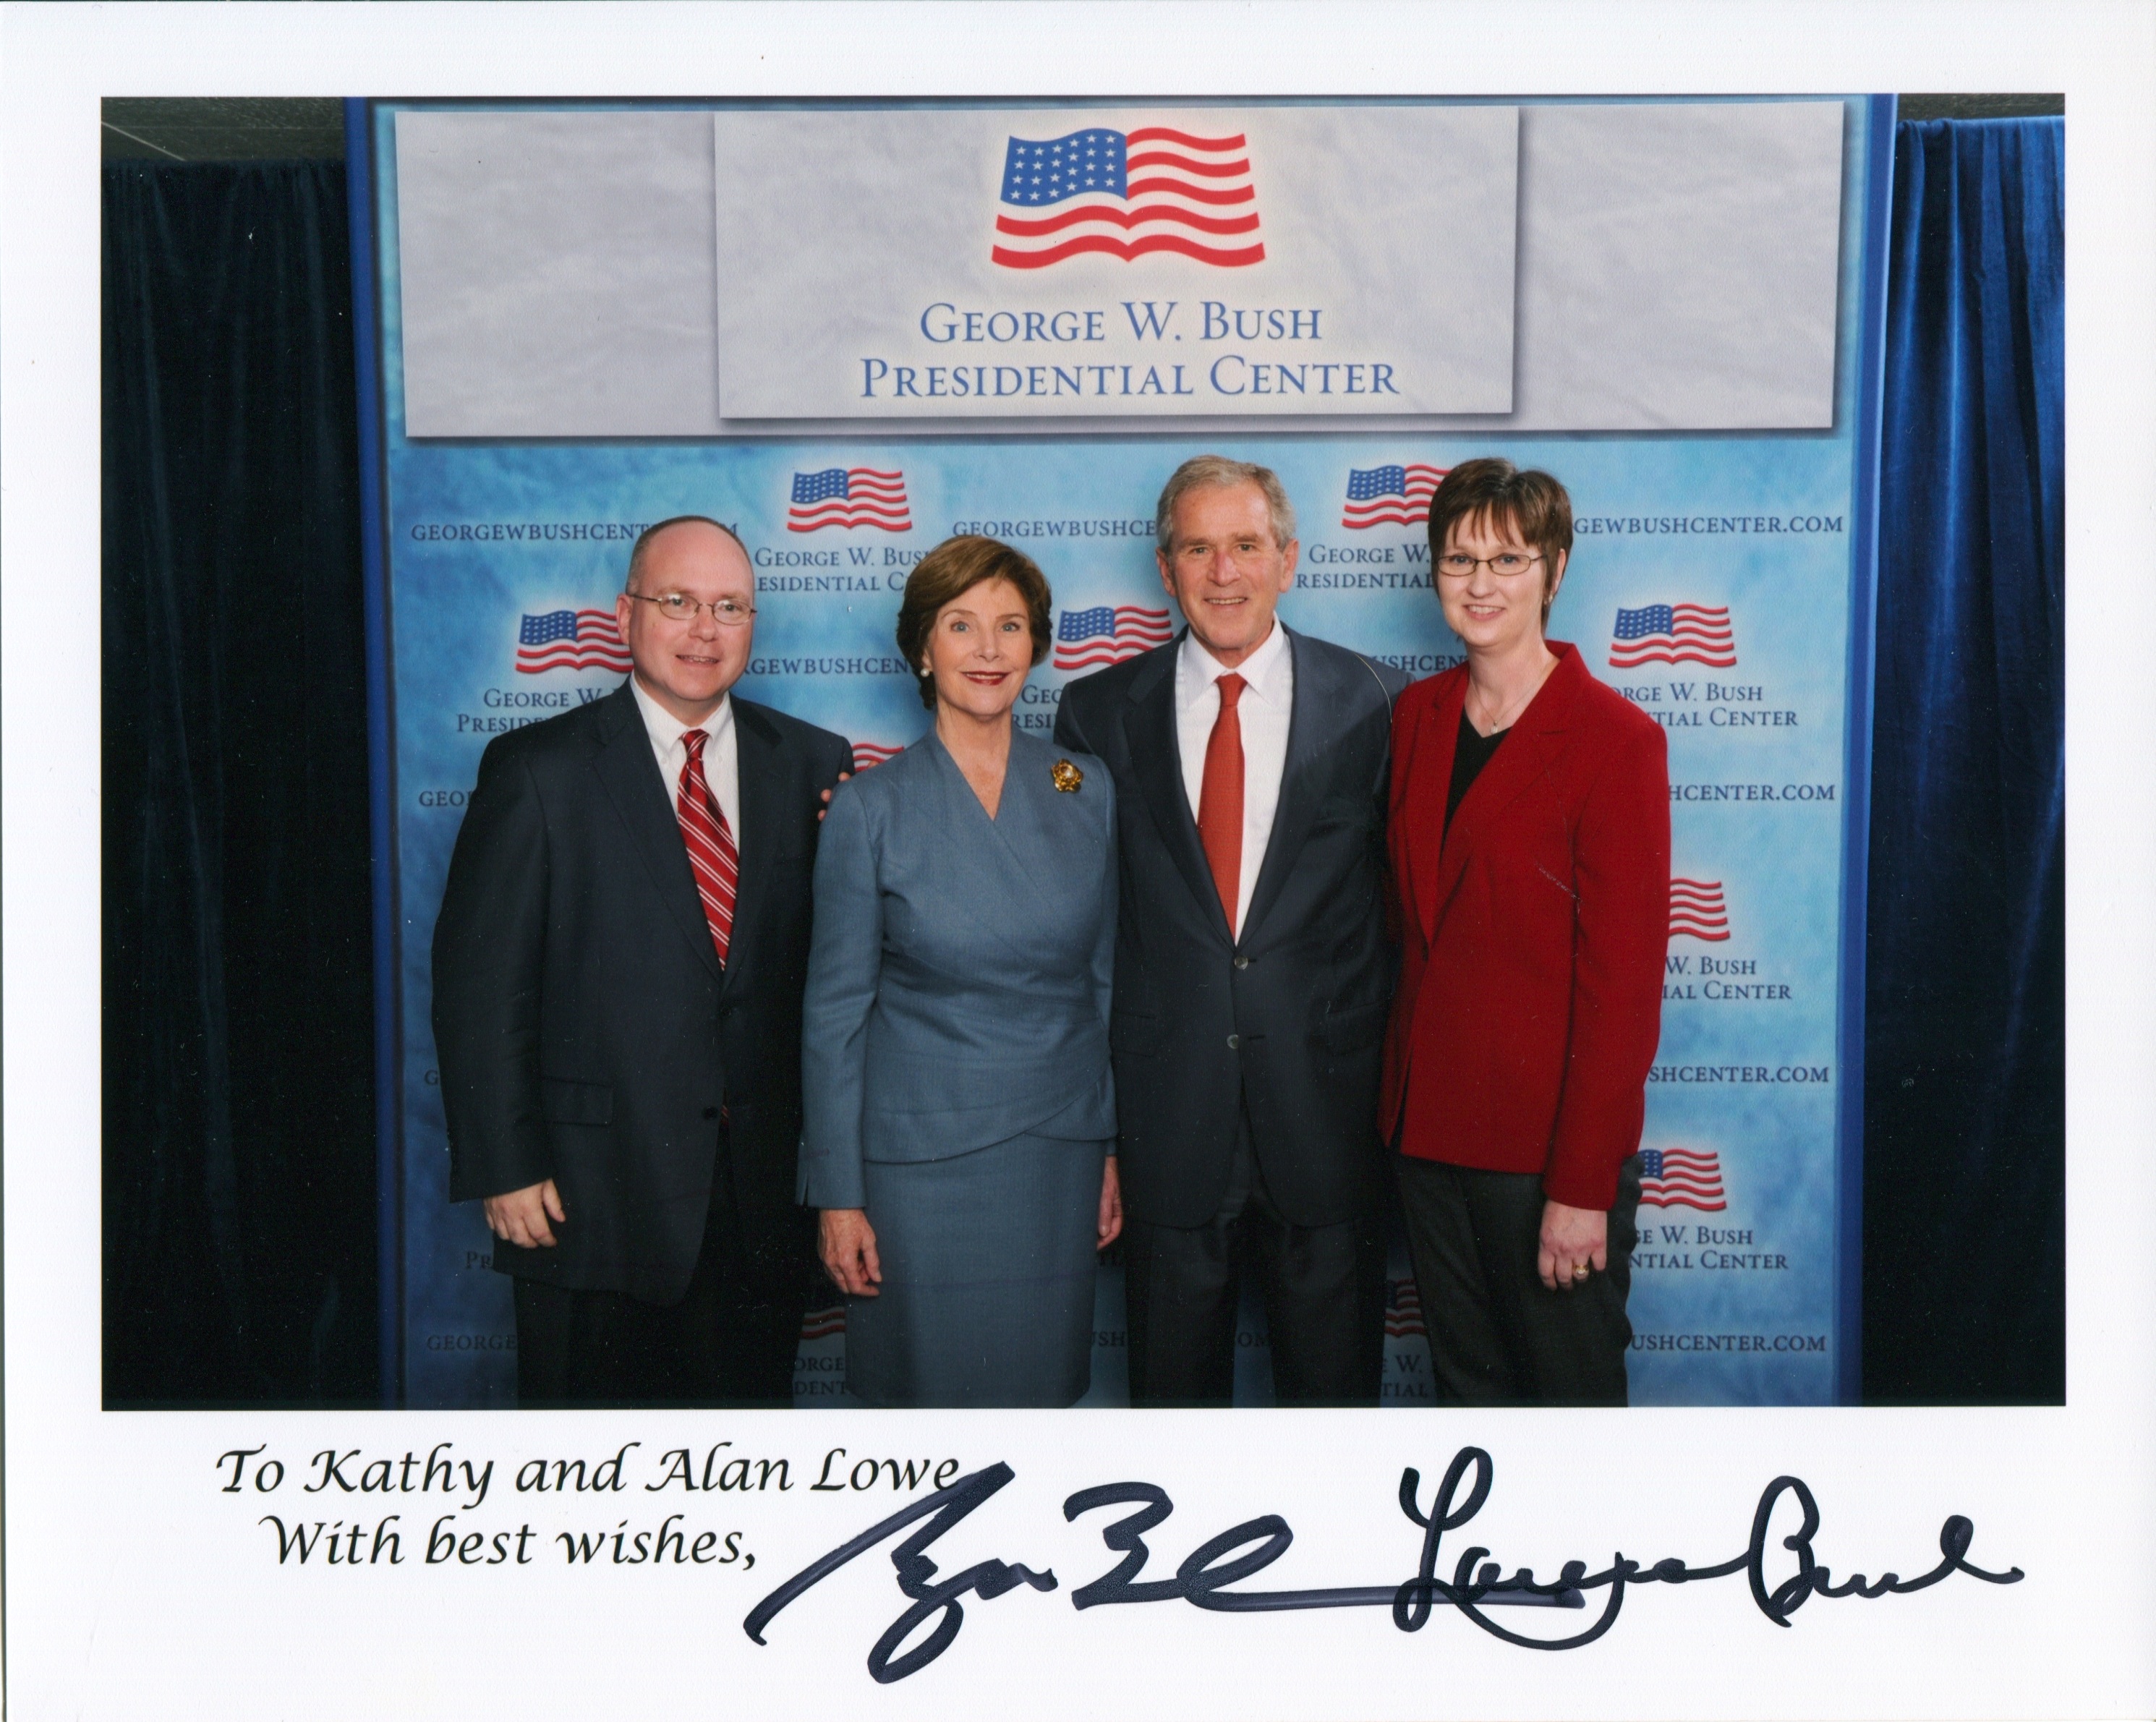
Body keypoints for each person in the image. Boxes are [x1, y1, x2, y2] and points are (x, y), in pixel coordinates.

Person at [433, 515, 853, 1408]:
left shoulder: (813, 763)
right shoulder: (536, 769)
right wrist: (504, 1163)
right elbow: (479, 988)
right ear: (626, 612)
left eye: (729, 606)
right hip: (589, 1203)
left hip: (760, 1206)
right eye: (678, 602)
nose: (705, 629)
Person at [1053, 456, 1407, 1407]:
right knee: (1174, 1425)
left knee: (1334, 1420)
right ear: (1164, 569)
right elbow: (1060, 891)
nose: (1223, 574)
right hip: (1167, 1125)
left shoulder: (1379, 703)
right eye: (1198, 549)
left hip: (1328, 1123)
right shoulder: (1090, 714)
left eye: (1244, 546)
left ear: (1287, 560)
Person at [800, 535, 1121, 1408]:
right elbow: (833, 1014)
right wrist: (837, 1195)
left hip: (1055, 1152)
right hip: (916, 1166)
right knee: (928, 1405)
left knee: (1039, 1399)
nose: (987, 649)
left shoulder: (1081, 785)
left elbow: (1102, 980)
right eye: (961, 624)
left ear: (1036, 646)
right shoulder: (867, 806)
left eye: (1010, 626)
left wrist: (1107, 1145)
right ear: (921, 647)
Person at [1381, 458, 1669, 1406]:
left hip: (1545, 1157)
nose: (1479, 583)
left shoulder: (1612, 739)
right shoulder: (1415, 718)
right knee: (1468, 1400)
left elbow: (1622, 989)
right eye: (1458, 559)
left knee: (1567, 1400)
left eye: (1506, 558)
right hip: (1429, 1140)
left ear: (1554, 568)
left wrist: (1582, 1187)